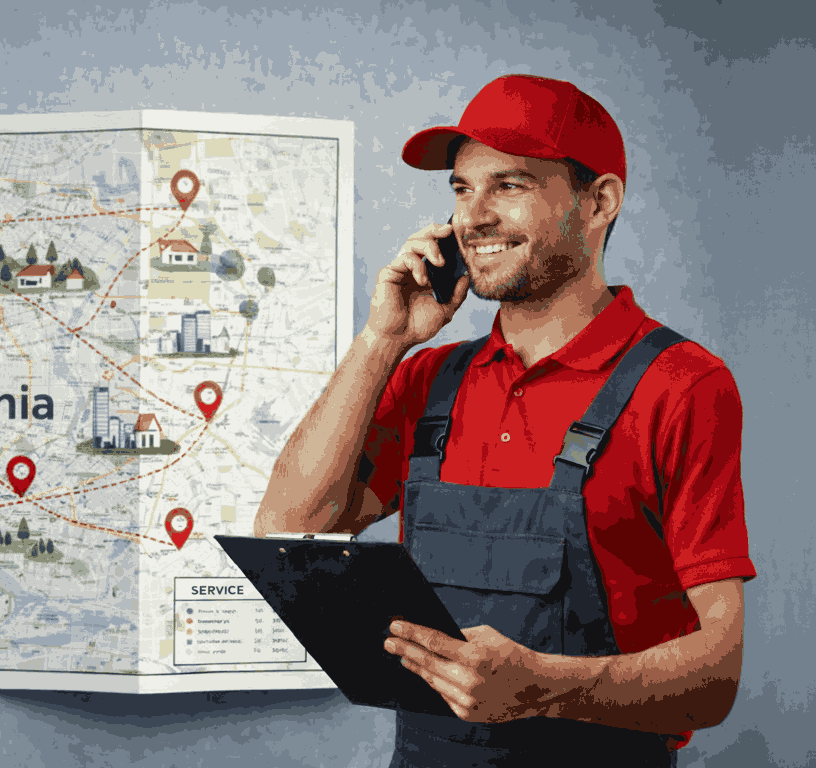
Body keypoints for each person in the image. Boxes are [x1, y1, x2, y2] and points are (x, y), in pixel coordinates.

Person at [253, 74, 755, 767]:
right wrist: (382, 341)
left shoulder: (680, 385)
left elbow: (717, 674)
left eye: (510, 185)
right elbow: (287, 527)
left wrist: (546, 688)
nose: (473, 217)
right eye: (461, 189)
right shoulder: (431, 380)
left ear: (600, 201)